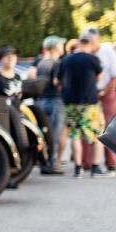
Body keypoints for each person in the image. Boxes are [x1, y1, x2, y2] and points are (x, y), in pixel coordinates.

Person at [57, 35, 113, 178]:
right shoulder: (92, 59)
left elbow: (58, 81)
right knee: (97, 135)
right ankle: (95, 168)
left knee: (75, 135)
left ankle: (77, 169)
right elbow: (99, 77)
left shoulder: (66, 59)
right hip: (90, 104)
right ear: (90, 45)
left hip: (71, 104)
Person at [83, 28, 116, 172]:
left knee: (109, 127)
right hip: (89, 95)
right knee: (88, 128)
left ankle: (111, 161)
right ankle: (87, 162)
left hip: (107, 92)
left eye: (93, 41)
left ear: (98, 40)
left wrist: (105, 92)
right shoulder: (84, 52)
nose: (91, 45)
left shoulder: (107, 51)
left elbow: (114, 76)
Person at [35, 36, 66, 174]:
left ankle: (43, 162)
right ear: (55, 47)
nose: (62, 47)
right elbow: (56, 83)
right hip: (55, 100)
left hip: (41, 100)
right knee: (54, 134)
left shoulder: (41, 63)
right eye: (61, 45)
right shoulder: (57, 64)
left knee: (43, 133)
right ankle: (52, 164)